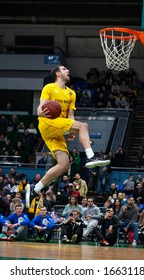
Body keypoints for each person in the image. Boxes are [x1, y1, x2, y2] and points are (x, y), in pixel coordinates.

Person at [26, 65, 110, 208]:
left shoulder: (71, 93)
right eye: (64, 69)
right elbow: (41, 106)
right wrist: (39, 111)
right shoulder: (49, 87)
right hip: (47, 124)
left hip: (58, 129)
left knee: (64, 164)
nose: (68, 71)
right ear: (58, 74)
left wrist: (71, 129)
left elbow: (70, 116)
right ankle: (91, 156)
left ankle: (35, 189)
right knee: (83, 126)